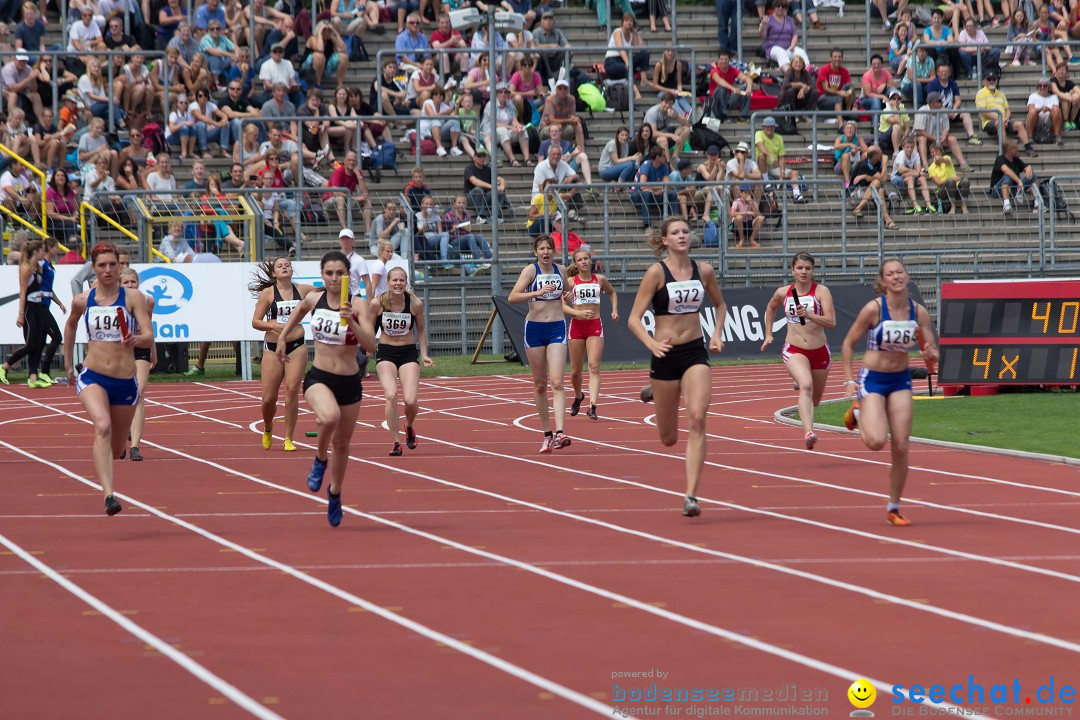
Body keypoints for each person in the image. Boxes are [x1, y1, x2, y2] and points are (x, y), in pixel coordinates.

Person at [628, 218, 726, 517]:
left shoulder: (704, 270)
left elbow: (720, 305)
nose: (682, 236)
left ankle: (691, 496)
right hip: (665, 354)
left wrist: (717, 333)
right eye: (675, 233)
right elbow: (634, 318)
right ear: (665, 240)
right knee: (668, 438)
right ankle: (657, 392)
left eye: (685, 231)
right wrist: (651, 344)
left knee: (697, 419)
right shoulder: (656, 273)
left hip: (695, 351)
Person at [274, 250, 377, 527]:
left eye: (339, 273)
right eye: (328, 273)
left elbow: (371, 346)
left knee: (342, 445)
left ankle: (334, 493)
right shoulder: (313, 299)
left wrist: (352, 319)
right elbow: (296, 316)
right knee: (328, 417)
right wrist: (283, 338)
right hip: (319, 377)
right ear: (322, 275)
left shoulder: (358, 304)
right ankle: (320, 459)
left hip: (349, 381)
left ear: (348, 276)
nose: (334, 278)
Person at [841, 258, 938, 527]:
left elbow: (932, 357)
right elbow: (848, 343)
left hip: (900, 380)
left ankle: (894, 506)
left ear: (906, 276)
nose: (896, 277)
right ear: (882, 281)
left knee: (901, 445)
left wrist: (931, 354)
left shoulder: (918, 312)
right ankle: (858, 412)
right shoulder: (873, 310)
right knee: (875, 442)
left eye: (900, 272)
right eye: (890, 274)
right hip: (873, 379)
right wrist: (849, 378)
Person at [62, 241, 154, 516]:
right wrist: (68, 364)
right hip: (93, 376)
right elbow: (69, 326)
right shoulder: (83, 300)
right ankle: (108, 495)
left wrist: (135, 338)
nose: (108, 270)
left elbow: (149, 336)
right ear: (93, 268)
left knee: (116, 449)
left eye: (113, 264)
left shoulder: (133, 298)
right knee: (101, 425)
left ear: (120, 266)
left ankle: (118, 448)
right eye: (102, 265)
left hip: (125, 381)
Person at [760, 253, 836, 449]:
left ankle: (801, 381)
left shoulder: (821, 291)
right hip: (794, 348)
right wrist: (768, 334)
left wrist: (809, 314)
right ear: (792, 270)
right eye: (800, 268)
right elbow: (770, 308)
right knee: (806, 385)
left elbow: (831, 322)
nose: (804, 272)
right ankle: (809, 432)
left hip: (819, 350)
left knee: (816, 400)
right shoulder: (784, 292)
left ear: (813, 271)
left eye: (808, 268)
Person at [507, 235, 573, 453]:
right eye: (541, 248)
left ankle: (560, 432)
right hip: (534, 330)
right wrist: (535, 293)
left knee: (557, 381)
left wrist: (569, 296)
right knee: (539, 384)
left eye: (549, 248)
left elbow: (566, 293)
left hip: (556, 328)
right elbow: (513, 297)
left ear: (554, 252)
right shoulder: (530, 271)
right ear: (536, 252)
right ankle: (547, 433)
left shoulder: (561, 270)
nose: (546, 252)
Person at [250, 257, 315, 453]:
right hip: (272, 346)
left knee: (292, 391)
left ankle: (288, 437)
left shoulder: (304, 290)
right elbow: (255, 321)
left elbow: (326, 294)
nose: (284, 267)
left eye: (287, 265)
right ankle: (268, 428)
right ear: (274, 273)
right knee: (268, 399)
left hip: (297, 345)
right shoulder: (268, 294)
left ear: (292, 270)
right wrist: (273, 325)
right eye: (280, 266)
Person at [368, 266, 433, 456]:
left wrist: (425, 354)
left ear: (406, 283)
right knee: (391, 395)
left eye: (401, 280)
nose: (398, 284)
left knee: (410, 401)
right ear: (387, 282)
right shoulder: (377, 303)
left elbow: (421, 330)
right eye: (394, 280)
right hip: (386, 352)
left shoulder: (414, 303)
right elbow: (371, 329)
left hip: (408, 353)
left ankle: (409, 424)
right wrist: (368, 348)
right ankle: (396, 442)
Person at [564, 248, 618, 421]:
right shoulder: (571, 282)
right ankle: (579, 396)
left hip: (594, 325)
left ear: (590, 261)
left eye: (586, 258)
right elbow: (560, 304)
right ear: (576, 264)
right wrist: (574, 310)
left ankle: (592, 406)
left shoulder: (600, 279)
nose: (584, 262)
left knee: (594, 367)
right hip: (577, 327)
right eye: (580, 260)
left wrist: (614, 310)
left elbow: (612, 292)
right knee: (575, 372)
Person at [0, 240, 52, 387]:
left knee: (38, 343)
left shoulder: (38, 268)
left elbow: (33, 288)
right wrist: (21, 314)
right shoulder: (25, 268)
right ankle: (5, 366)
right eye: (42, 250)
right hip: (29, 308)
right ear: (35, 252)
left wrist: (39, 294)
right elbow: (23, 293)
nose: (44, 253)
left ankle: (33, 377)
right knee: (30, 345)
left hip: (38, 306)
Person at [118, 268, 156, 462]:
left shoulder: (147, 301)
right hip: (120, 350)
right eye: (126, 282)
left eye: (133, 282)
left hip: (141, 347)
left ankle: (135, 446)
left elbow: (149, 326)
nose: (131, 285)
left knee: (139, 393)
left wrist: (153, 352)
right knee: (121, 395)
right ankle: (123, 436)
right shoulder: (113, 302)